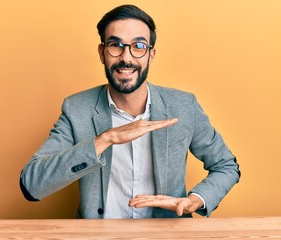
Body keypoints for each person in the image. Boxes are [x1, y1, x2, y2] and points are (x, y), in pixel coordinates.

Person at [20, 4, 240, 219]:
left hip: (165, 235)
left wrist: (196, 199)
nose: (126, 58)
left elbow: (226, 166)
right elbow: (32, 185)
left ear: (151, 55)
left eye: (138, 46)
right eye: (116, 45)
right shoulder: (77, 108)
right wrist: (106, 138)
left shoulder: (183, 105)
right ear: (102, 52)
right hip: (98, 237)